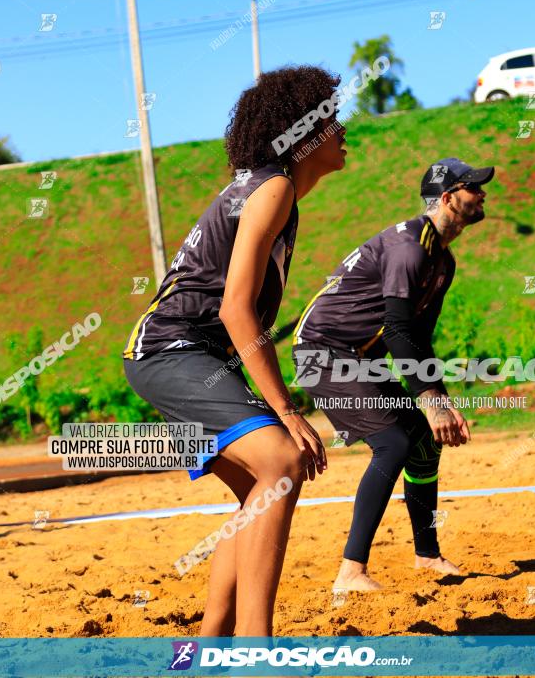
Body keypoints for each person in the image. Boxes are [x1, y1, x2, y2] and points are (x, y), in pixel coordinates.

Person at [123, 66, 347, 636]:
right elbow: (235, 311)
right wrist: (288, 411)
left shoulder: (269, 187)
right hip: (171, 349)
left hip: (178, 353)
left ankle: (208, 646)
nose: (342, 126)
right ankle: (254, 651)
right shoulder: (272, 188)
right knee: (282, 460)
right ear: (304, 132)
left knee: (258, 490)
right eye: (330, 116)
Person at [292, 157, 494, 591]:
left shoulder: (443, 261)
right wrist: (431, 401)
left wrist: (440, 400)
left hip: (355, 357)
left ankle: (427, 555)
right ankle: (350, 573)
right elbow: (399, 328)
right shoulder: (409, 249)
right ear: (446, 199)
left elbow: (417, 337)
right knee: (394, 442)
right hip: (320, 353)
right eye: (472, 187)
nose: (482, 193)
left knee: (422, 440)